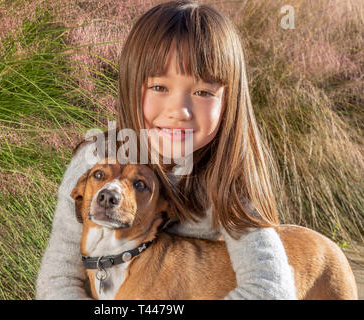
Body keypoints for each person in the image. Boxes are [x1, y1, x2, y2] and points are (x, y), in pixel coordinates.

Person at [36, 0, 297, 300]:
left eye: (203, 92)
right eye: (159, 87)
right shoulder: (98, 158)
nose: (179, 110)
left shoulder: (229, 177)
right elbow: (57, 279)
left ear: (230, 102)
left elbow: (272, 290)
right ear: (131, 85)